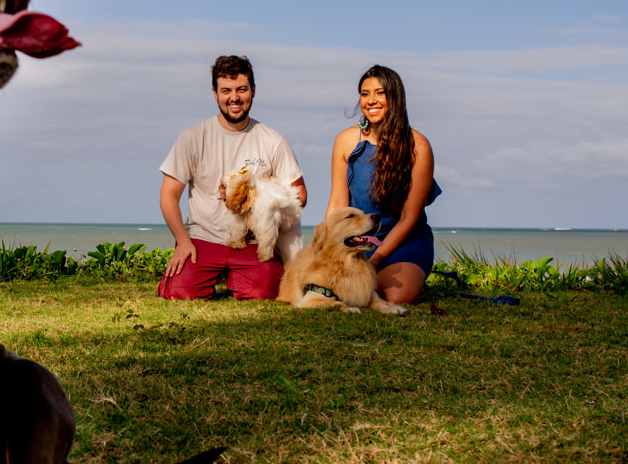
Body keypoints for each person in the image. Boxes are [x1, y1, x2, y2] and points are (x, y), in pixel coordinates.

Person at [158, 55, 307, 300]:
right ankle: (205, 275)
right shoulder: (193, 136)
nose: (234, 98)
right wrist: (183, 242)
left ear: (253, 91)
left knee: (263, 293)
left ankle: (242, 280)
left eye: (241, 89)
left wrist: (270, 214)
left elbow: (299, 193)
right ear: (215, 94)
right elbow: (168, 195)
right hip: (202, 239)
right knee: (179, 293)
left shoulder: (273, 140)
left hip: (252, 243)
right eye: (226, 90)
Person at [326, 64, 441, 305]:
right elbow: (338, 203)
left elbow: (410, 217)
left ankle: (408, 273)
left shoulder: (419, 146)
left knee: (396, 296)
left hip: (404, 240)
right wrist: (328, 248)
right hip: (358, 239)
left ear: (395, 97)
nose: (371, 100)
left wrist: (375, 259)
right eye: (365, 94)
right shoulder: (346, 141)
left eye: (380, 93)